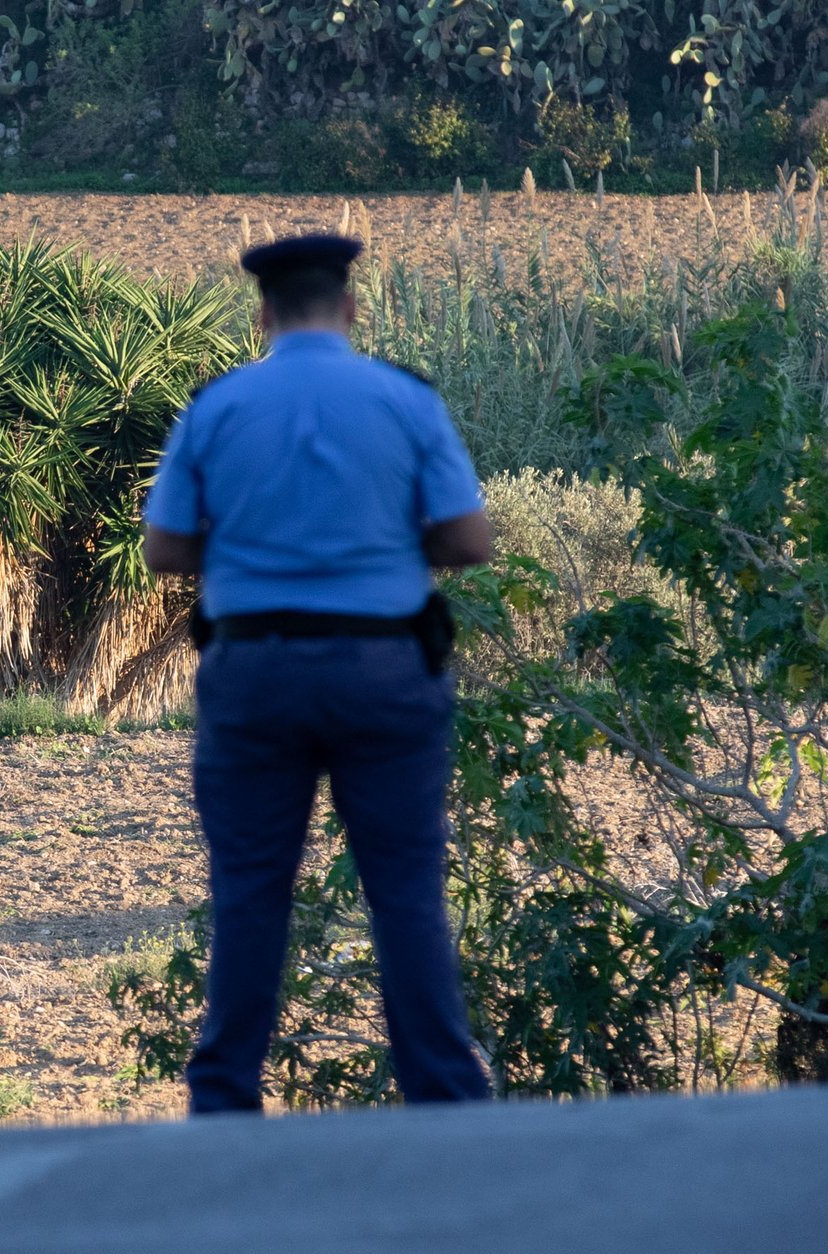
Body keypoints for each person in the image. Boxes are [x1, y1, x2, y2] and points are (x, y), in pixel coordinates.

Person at [141, 232, 494, 1113]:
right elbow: (469, 540)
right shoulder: (404, 399)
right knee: (405, 888)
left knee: (252, 891)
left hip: (254, 669)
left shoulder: (216, 406)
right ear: (350, 309)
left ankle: (224, 1101)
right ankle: (446, 1099)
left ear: (261, 315)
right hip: (386, 666)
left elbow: (164, 549)